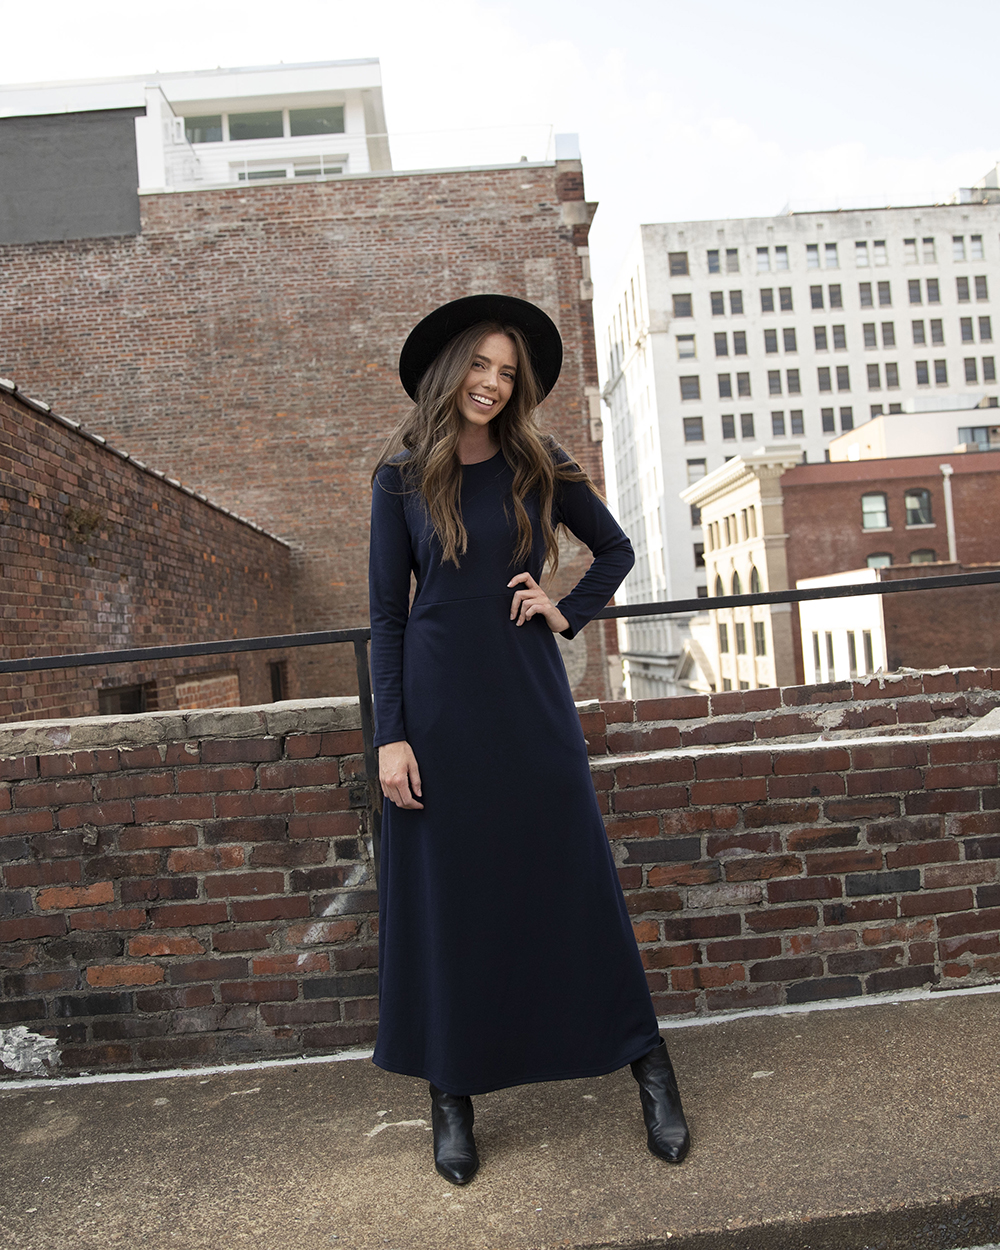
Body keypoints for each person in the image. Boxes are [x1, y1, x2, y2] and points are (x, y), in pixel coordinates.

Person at [368, 293, 689, 1185]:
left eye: (508, 373)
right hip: (436, 718)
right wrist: (391, 738)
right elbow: (384, 621)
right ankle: (451, 1095)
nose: (493, 384)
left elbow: (615, 551)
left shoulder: (538, 463)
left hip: (529, 706)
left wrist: (566, 610)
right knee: (449, 903)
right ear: (449, 370)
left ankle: (651, 1067)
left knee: (574, 882)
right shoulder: (397, 480)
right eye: (481, 365)